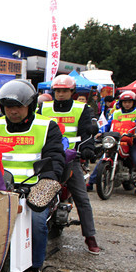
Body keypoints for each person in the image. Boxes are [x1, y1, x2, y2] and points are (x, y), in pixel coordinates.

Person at [0, 79, 65, 272]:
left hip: (31, 189)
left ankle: (33, 269)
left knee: (36, 222)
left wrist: (46, 182)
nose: (12, 111)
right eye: (8, 107)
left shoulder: (46, 126)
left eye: (17, 107)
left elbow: (55, 158)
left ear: (30, 106)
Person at [38, 75, 100, 254]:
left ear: (72, 92)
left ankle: (90, 237)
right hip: (48, 159)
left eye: (64, 90)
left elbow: (86, 133)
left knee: (82, 197)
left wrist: (87, 149)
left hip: (70, 158)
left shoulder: (82, 108)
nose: (61, 94)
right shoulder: (44, 107)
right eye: (57, 90)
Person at [104, 91, 136, 194]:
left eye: (129, 102)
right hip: (116, 141)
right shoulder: (116, 113)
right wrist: (100, 132)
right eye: (124, 102)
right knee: (104, 157)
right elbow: (107, 125)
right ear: (121, 103)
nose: (127, 104)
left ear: (133, 102)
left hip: (131, 142)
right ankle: (91, 182)